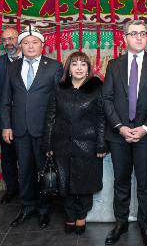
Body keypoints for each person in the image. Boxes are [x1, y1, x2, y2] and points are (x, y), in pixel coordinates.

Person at [102, 20, 147, 246]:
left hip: (146, 135)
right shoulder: (113, 65)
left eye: (143, 33)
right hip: (119, 134)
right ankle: (120, 224)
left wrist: (145, 128)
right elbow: (106, 99)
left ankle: (146, 225)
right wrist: (120, 127)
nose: (139, 37)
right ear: (124, 38)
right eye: (134, 33)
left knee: (145, 182)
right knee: (121, 181)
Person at [0, 27, 62, 228]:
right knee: (24, 169)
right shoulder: (12, 67)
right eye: (26, 42)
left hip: (44, 128)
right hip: (19, 128)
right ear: (20, 45)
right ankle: (27, 207)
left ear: (42, 45)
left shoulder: (54, 66)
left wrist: (54, 131)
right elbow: (5, 99)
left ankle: (43, 210)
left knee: (43, 169)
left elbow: (59, 101)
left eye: (34, 42)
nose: (30, 46)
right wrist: (6, 125)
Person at [41, 52, 107, 235]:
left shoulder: (97, 88)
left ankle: (81, 217)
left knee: (85, 183)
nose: (79, 68)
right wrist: (47, 144)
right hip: (62, 143)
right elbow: (50, 117)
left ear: (88, 69)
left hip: (88, 144)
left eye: (83, 64)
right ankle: (70, 215)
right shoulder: (59, 88)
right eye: (74, 64)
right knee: (66, 182)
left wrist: (101, 144)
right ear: (68, 68)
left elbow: (102, 118)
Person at [0, 27, 22, 205]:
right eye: (5, 40)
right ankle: (12, 188)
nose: (8, 42)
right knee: (8, 155)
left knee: (32, 155)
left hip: (29, 116)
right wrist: (5, 101)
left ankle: (35, 189)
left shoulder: (31, 58)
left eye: (11, 38)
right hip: (6, 116)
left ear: (19, 40)